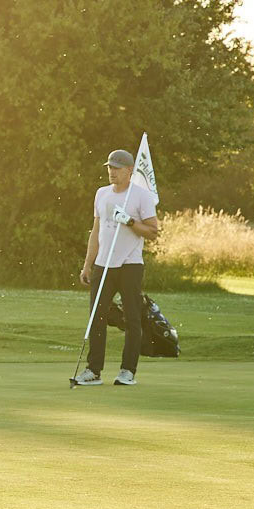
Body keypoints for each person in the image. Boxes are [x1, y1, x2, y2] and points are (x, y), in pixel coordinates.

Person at [75, 150, 160, 386]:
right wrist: (87, 264)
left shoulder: (141, 196)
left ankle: (127, 371)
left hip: (130, 265)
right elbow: (96, 231)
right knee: (96, 317)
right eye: (110, 167)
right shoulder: (101, 194)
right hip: (104, 264)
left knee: (133, 318)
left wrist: (130, 222)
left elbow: (153, 232)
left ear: (129, 170)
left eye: (117, 168)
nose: (112, 171)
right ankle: (94, 371)